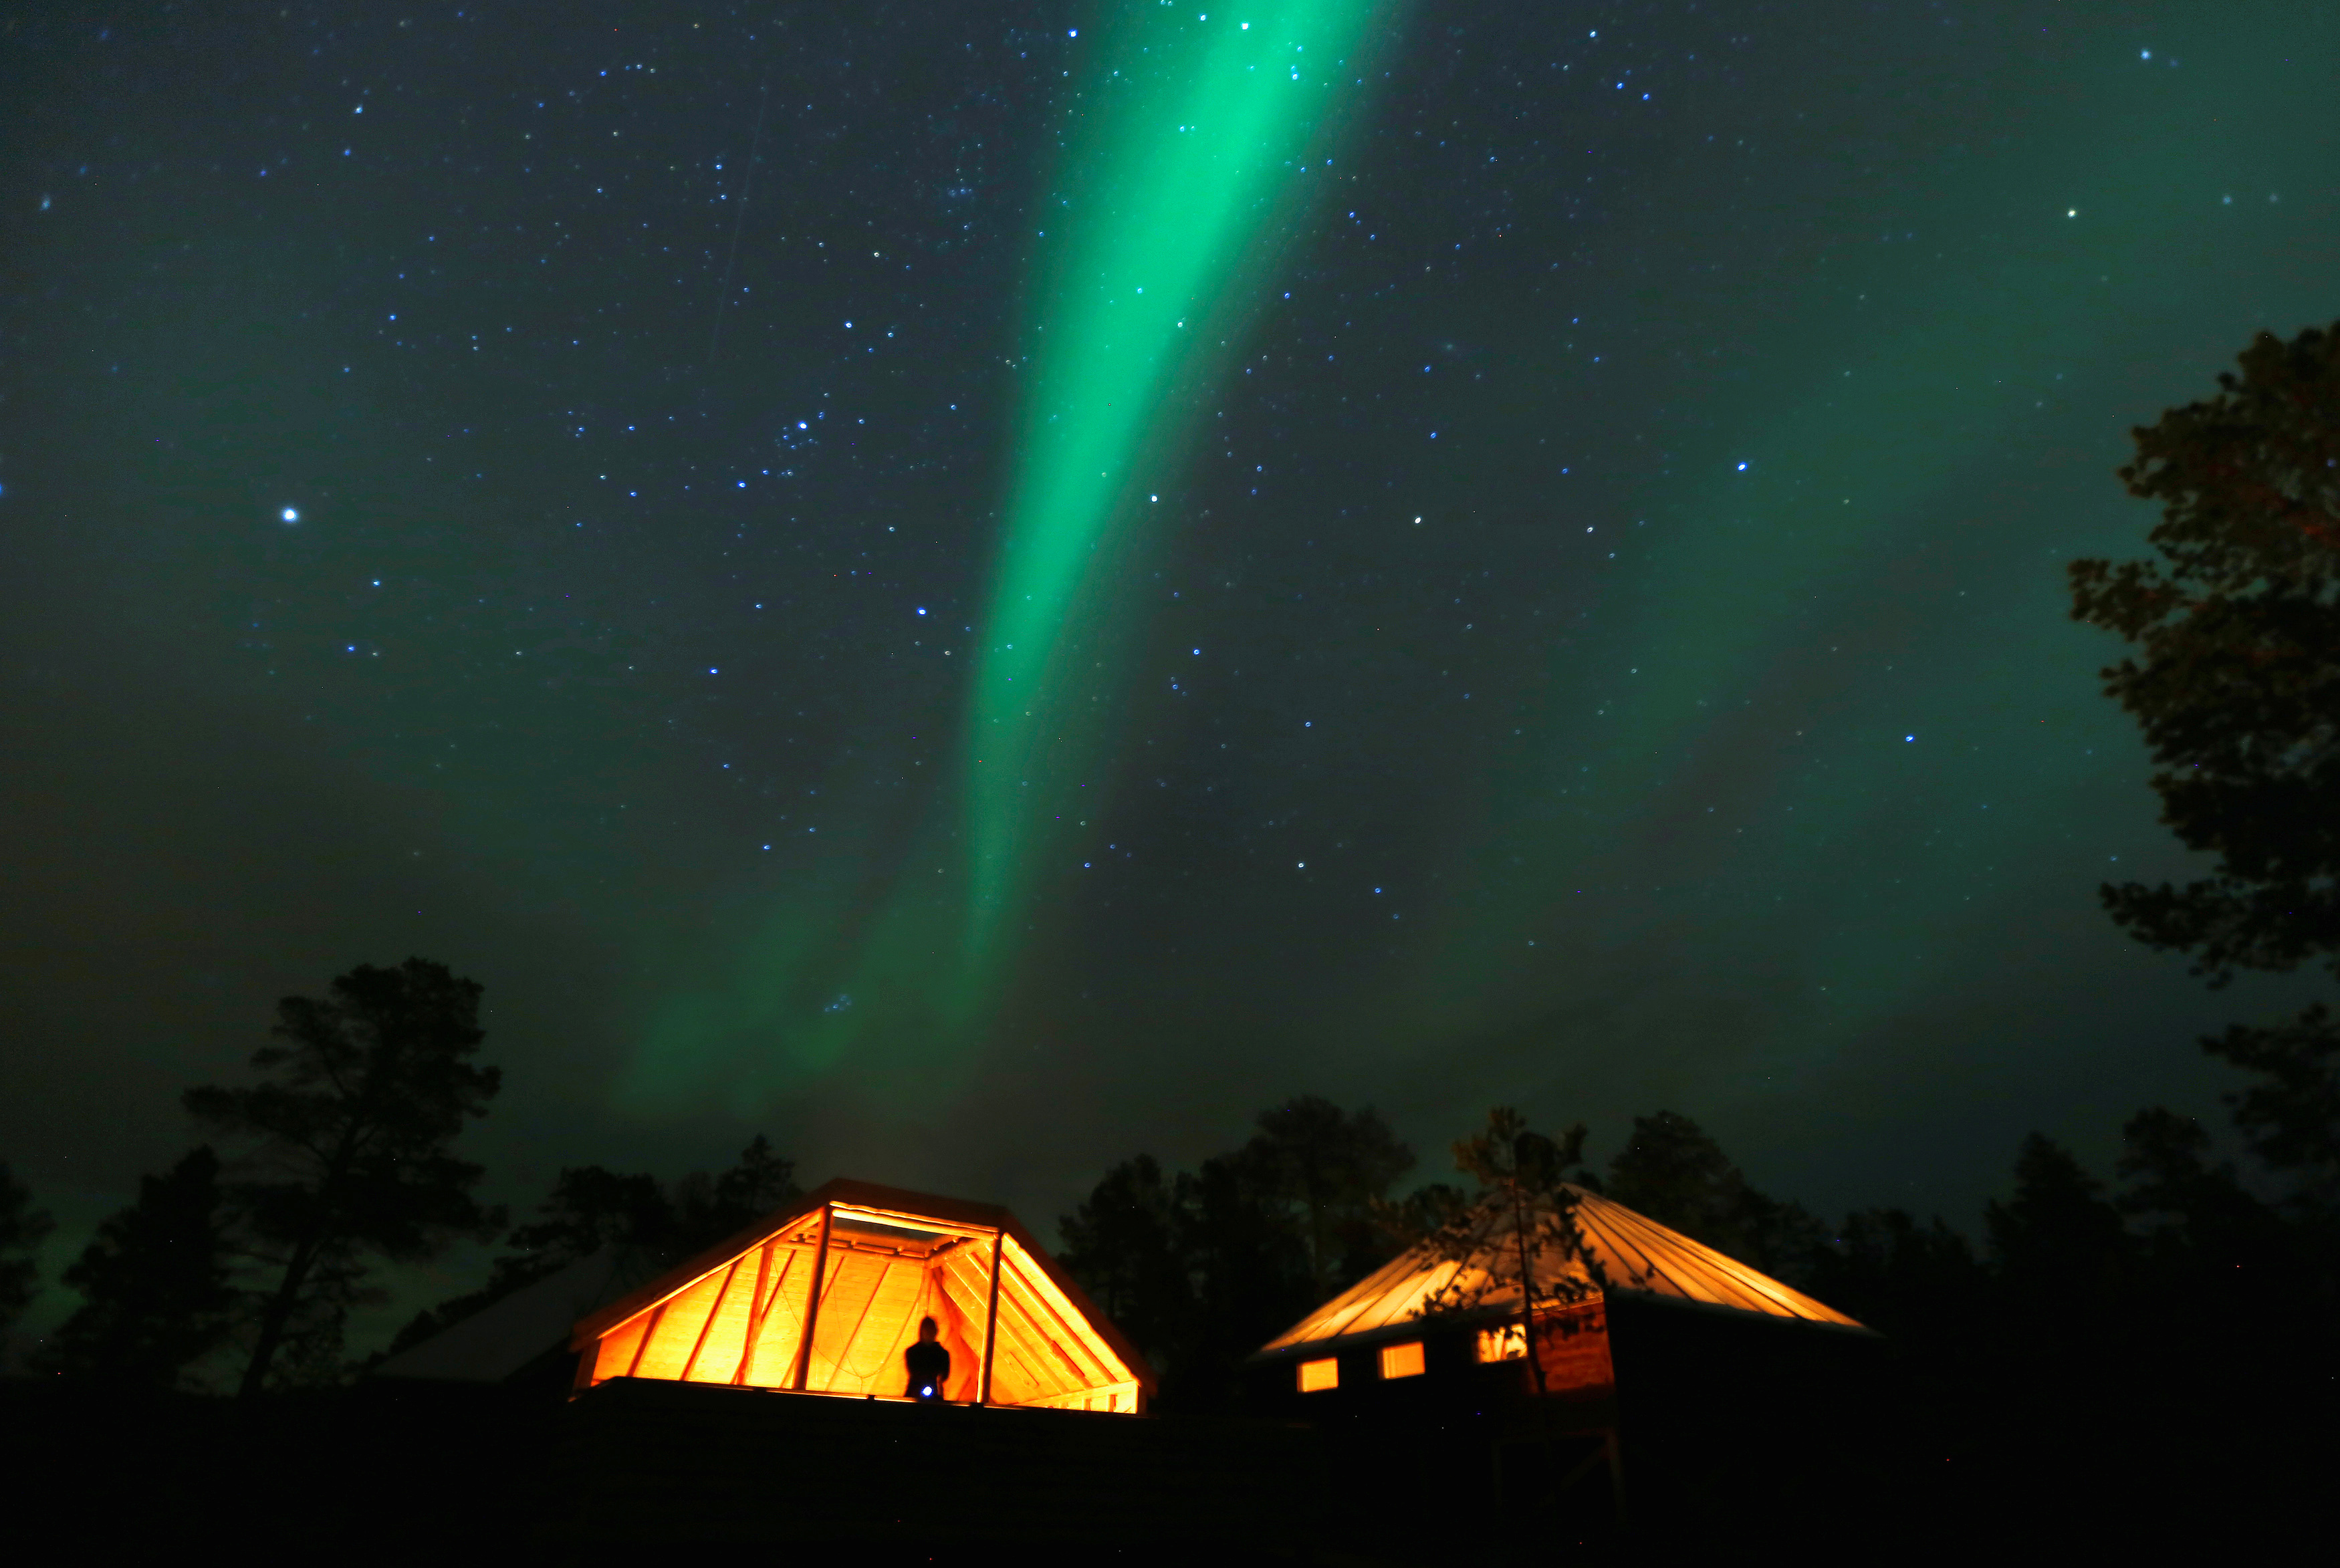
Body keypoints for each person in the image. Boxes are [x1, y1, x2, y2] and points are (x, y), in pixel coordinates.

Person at [904, 1315, 951, 1402]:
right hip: (914, 1394)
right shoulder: (912, 1352)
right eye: (927, 1330)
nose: (929, 1333)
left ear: (936, 1331)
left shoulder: (943, 1354)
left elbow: (945, 1375)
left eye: (931, 1330)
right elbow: (914, 1373)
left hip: (934, 1394)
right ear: (922, 1331)